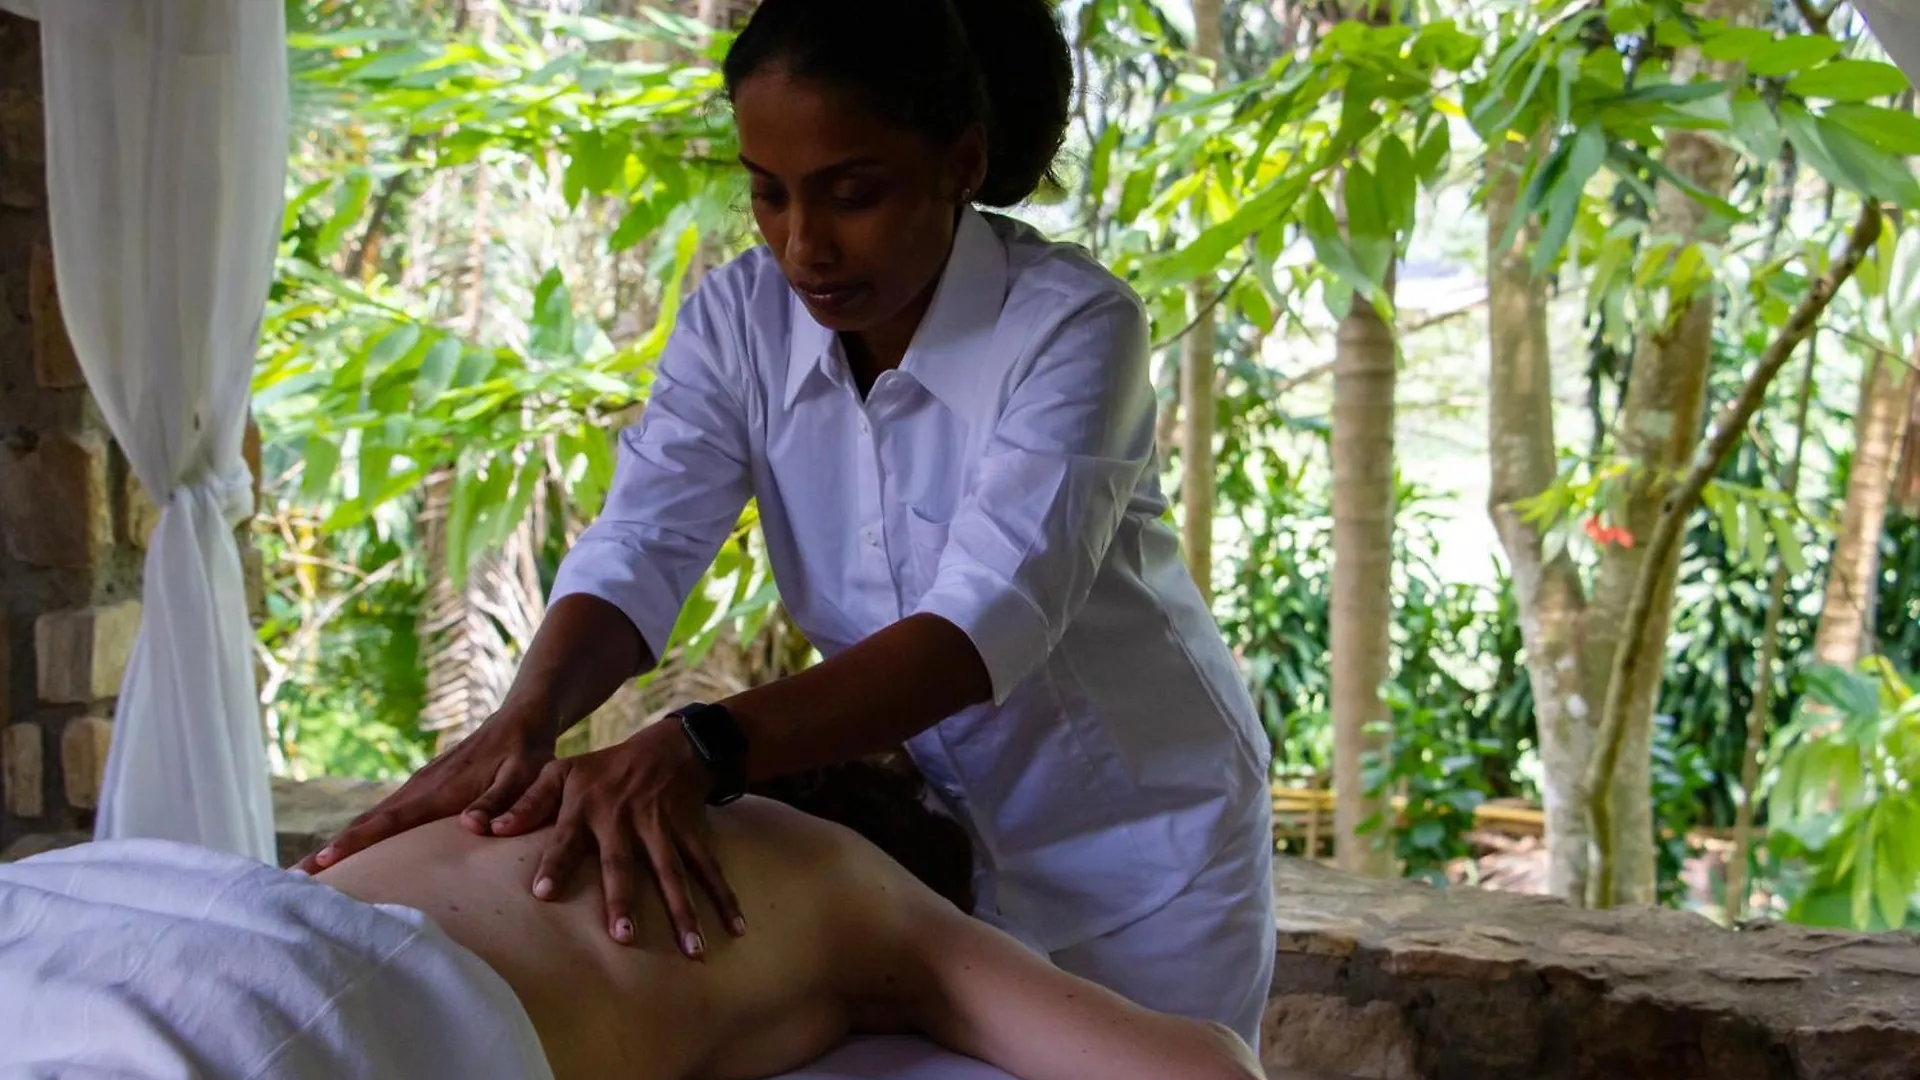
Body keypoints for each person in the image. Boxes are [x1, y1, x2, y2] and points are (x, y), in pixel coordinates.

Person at [301, 0, 1276, 1047]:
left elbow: (985, 621)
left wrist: (707, 743)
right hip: (936, 862)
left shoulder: (1072, 326)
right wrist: (524, 719)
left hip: (1145, 850)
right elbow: (643, 544)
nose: (803, 246)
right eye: (769, 195)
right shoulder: (738, 321)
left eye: (851, 194)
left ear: (961, 162)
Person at [0, 760, 1268, 1080]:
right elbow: (1199, 1070)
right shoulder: (852, 885)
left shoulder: (581, 783)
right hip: (317, 1011)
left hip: (107, 905)